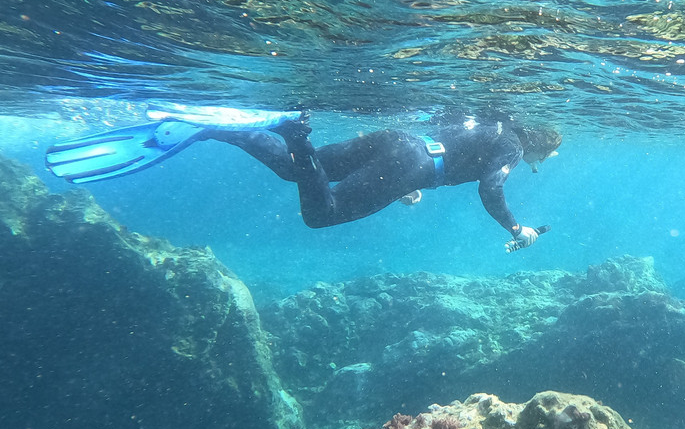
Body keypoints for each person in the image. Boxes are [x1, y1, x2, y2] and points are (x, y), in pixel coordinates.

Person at [45, 105, 561, 253]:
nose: (538, 165)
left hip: (398, 142)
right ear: (541, 145)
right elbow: (490, 186)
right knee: (321, 213)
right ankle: (294, 131)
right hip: (414, 161)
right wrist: (517, 230)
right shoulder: (513, 143)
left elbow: (448, 142)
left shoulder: (492, 118)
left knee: (299, 171)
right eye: (546, 157)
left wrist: (406, 179)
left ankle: (209, 127)